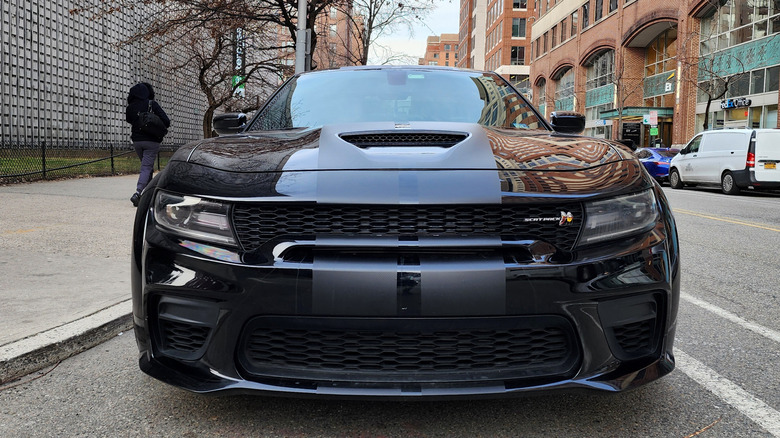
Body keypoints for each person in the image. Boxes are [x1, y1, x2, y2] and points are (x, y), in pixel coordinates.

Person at [125, 82, 170, 207]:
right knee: (146, 167)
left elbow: (129, 120)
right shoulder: (152, 104)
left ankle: (148, 194)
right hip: (151, 141)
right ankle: (138, 193)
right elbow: (166, 121)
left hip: (137, 141)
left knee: (147, 167)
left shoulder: (130, 108)